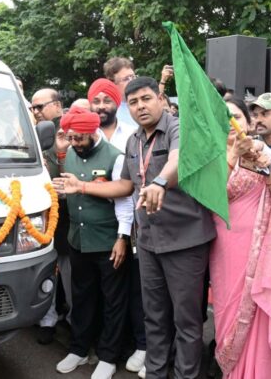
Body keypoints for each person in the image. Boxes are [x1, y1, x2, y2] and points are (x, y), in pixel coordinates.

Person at [54, 77, 216, 379]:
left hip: (185, 240)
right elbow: (126, 185)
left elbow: (178, 161)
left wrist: (159, 181)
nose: (141, 106)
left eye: (146, 99)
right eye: (134, 102)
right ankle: (155, 373)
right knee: (153, 317)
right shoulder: (134, 140)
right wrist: (82, 186)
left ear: (159, 98)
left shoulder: (180, 128)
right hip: (149, 241)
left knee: (187, 321)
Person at [210, 97, 271, 378]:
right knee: (228, 315)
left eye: (236, 116)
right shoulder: (209, 156)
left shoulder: (262, 154)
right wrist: (232, 156)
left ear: (248, 124)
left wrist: (266, 169)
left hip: (262, 253)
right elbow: (210, 196)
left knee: (258, 317)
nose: (231, 123)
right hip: (226, 251)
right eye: (224, 118)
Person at [53, 107, 134, 379]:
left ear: (93, 132)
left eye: (80, 139)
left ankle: (108, 357)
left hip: (108, 240)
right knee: (82, 297)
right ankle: (79, 349)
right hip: (78, 240)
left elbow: (125, 201)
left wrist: (122, 238)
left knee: (113, 301)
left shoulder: (115, 156)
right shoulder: (71, 154)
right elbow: (72, 190)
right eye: (71, 138)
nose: (75, 143)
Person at [87, 78, 145, 374]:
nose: (101, 107)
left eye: (106, 101)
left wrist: (125, 232)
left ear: (117, 103)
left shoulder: (132, 135)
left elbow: (127, 188)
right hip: (94, 228)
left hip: (132, 223)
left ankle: (135, 345)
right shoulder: (84, 135)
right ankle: (106, 347)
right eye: (95, 102)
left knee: (132, 289)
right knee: (101, 291)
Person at [37, 116, 73, 346]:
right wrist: (58, 152)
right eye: (64, 133)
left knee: (71, 278)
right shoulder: (43, 152)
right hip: (46, 221)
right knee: (47, 274)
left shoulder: (82, 149)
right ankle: (46, 321)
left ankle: (72, 320)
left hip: (72, 223)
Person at [103, 57, 138, 128]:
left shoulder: (145, 104)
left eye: (133, 77)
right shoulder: (108, 111)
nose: (132, 81)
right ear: (112, 83)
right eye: (126, 79)